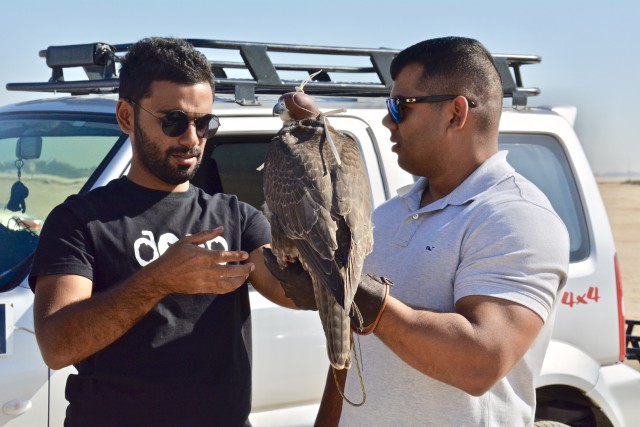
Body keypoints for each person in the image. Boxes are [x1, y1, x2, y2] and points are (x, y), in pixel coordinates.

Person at [268, 36, 570, 426]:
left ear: (456, 113)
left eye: (400, 106)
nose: (387, 120)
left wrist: (357, 295)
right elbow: (351, 354)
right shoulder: (390, 214)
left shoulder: (515, 217)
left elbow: (480, 362)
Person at [30, 37, 294, 427]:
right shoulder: (79, 221)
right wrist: (158, 280)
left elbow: (293, 291)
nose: (191, 139)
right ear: (126, 117)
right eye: (173, 121)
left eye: (204, 123)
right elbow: (56, 346)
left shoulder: (238, 217)